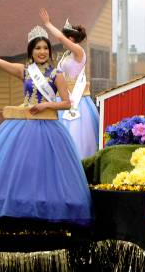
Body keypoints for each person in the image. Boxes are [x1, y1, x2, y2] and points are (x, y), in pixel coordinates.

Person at [0, 27, 92, 227]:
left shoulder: (56, 74)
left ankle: (45, 216)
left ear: (50, 51)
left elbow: (67, 103)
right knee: (19, 172)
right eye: (37, 48)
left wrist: (46, 104)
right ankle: (15, 215)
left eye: (45, 48)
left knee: (46, 173)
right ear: (31, 51)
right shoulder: (25, 71)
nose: (42, 51)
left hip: (49, 127)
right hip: (22, 126)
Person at [40, 8, 101, 161]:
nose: (64, 40)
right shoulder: (66, 55)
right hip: (63, 98)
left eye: (67, 37)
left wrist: (48, 24)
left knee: (77, 136)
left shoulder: (79, 52)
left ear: (72, 39)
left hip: (78, 101)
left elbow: (60, 38)